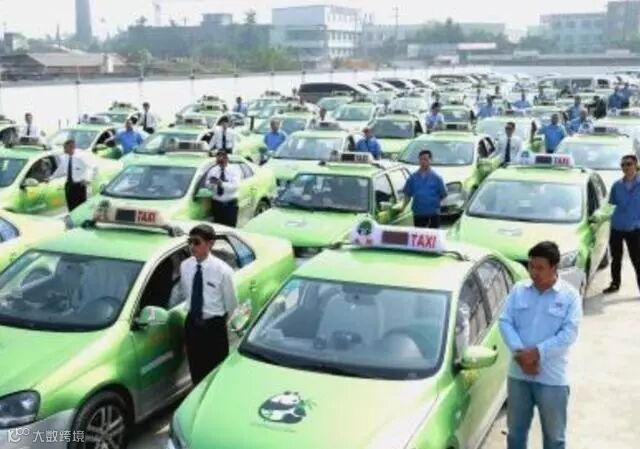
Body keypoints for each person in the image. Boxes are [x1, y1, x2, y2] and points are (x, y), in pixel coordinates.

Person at [500, 241, 582, 449]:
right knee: (515, 434)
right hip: (519, 375)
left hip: (552, 379)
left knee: (554, 438)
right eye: (531, 266)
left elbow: (569, 334)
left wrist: (536, 353)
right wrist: (520, 354)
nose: (533, 272)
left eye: (540, 268)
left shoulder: (570, 296)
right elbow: (505, 321)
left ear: (554, 268)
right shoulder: (519, 290)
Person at [181, 224, 237, 385]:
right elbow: (187, 295)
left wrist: (219, 324)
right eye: (190, 242)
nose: (192, 247)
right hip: (193, 324)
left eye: (197, 242)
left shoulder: (223, 271)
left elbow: (231, 304)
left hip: (213, 328)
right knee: (196, 372)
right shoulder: (185, 266)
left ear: (210, 244)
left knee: (215, 375)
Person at [603, 154, 640, 294]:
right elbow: (610, 205)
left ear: (636, 165)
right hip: (617, 228)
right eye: (623, 165)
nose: (625, 167)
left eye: (628, 164)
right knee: (616, 258)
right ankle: (615, 283)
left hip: (635, 229)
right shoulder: (617, 186)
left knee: (637, 260)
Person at [403, 150, 447, 228]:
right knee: (419, 234)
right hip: (419, 213)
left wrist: (433, 202)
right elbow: (407, 195)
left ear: (431, 160)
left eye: (426, 159)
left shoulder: (437, 178)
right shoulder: (412, 178)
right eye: (421, 159)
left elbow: (443, 194)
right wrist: (402, 207)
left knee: (432, 234)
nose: (423, 162)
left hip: (433, 214)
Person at [49, 139, 93, 211]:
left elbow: (90, 167)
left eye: (65, 147)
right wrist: (51, 177)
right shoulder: (64, 158)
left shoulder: (81, 157)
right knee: (71, 207)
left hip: (79, 186)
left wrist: (88, 179)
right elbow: (60, 170)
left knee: (80, 208)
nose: (64, 149)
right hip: (69, 186)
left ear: (71, 147)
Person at [205, 149, 241, 227]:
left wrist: (221, 184)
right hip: (217, 205)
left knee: (230, 228)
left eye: (222, 161)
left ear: (226, 159)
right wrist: (212, 184)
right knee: (218, 228)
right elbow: (207, 185)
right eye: (218, 161)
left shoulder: (234, 170)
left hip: (230, 205)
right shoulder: (213, 171)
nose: (220, 163)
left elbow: (235, 186)